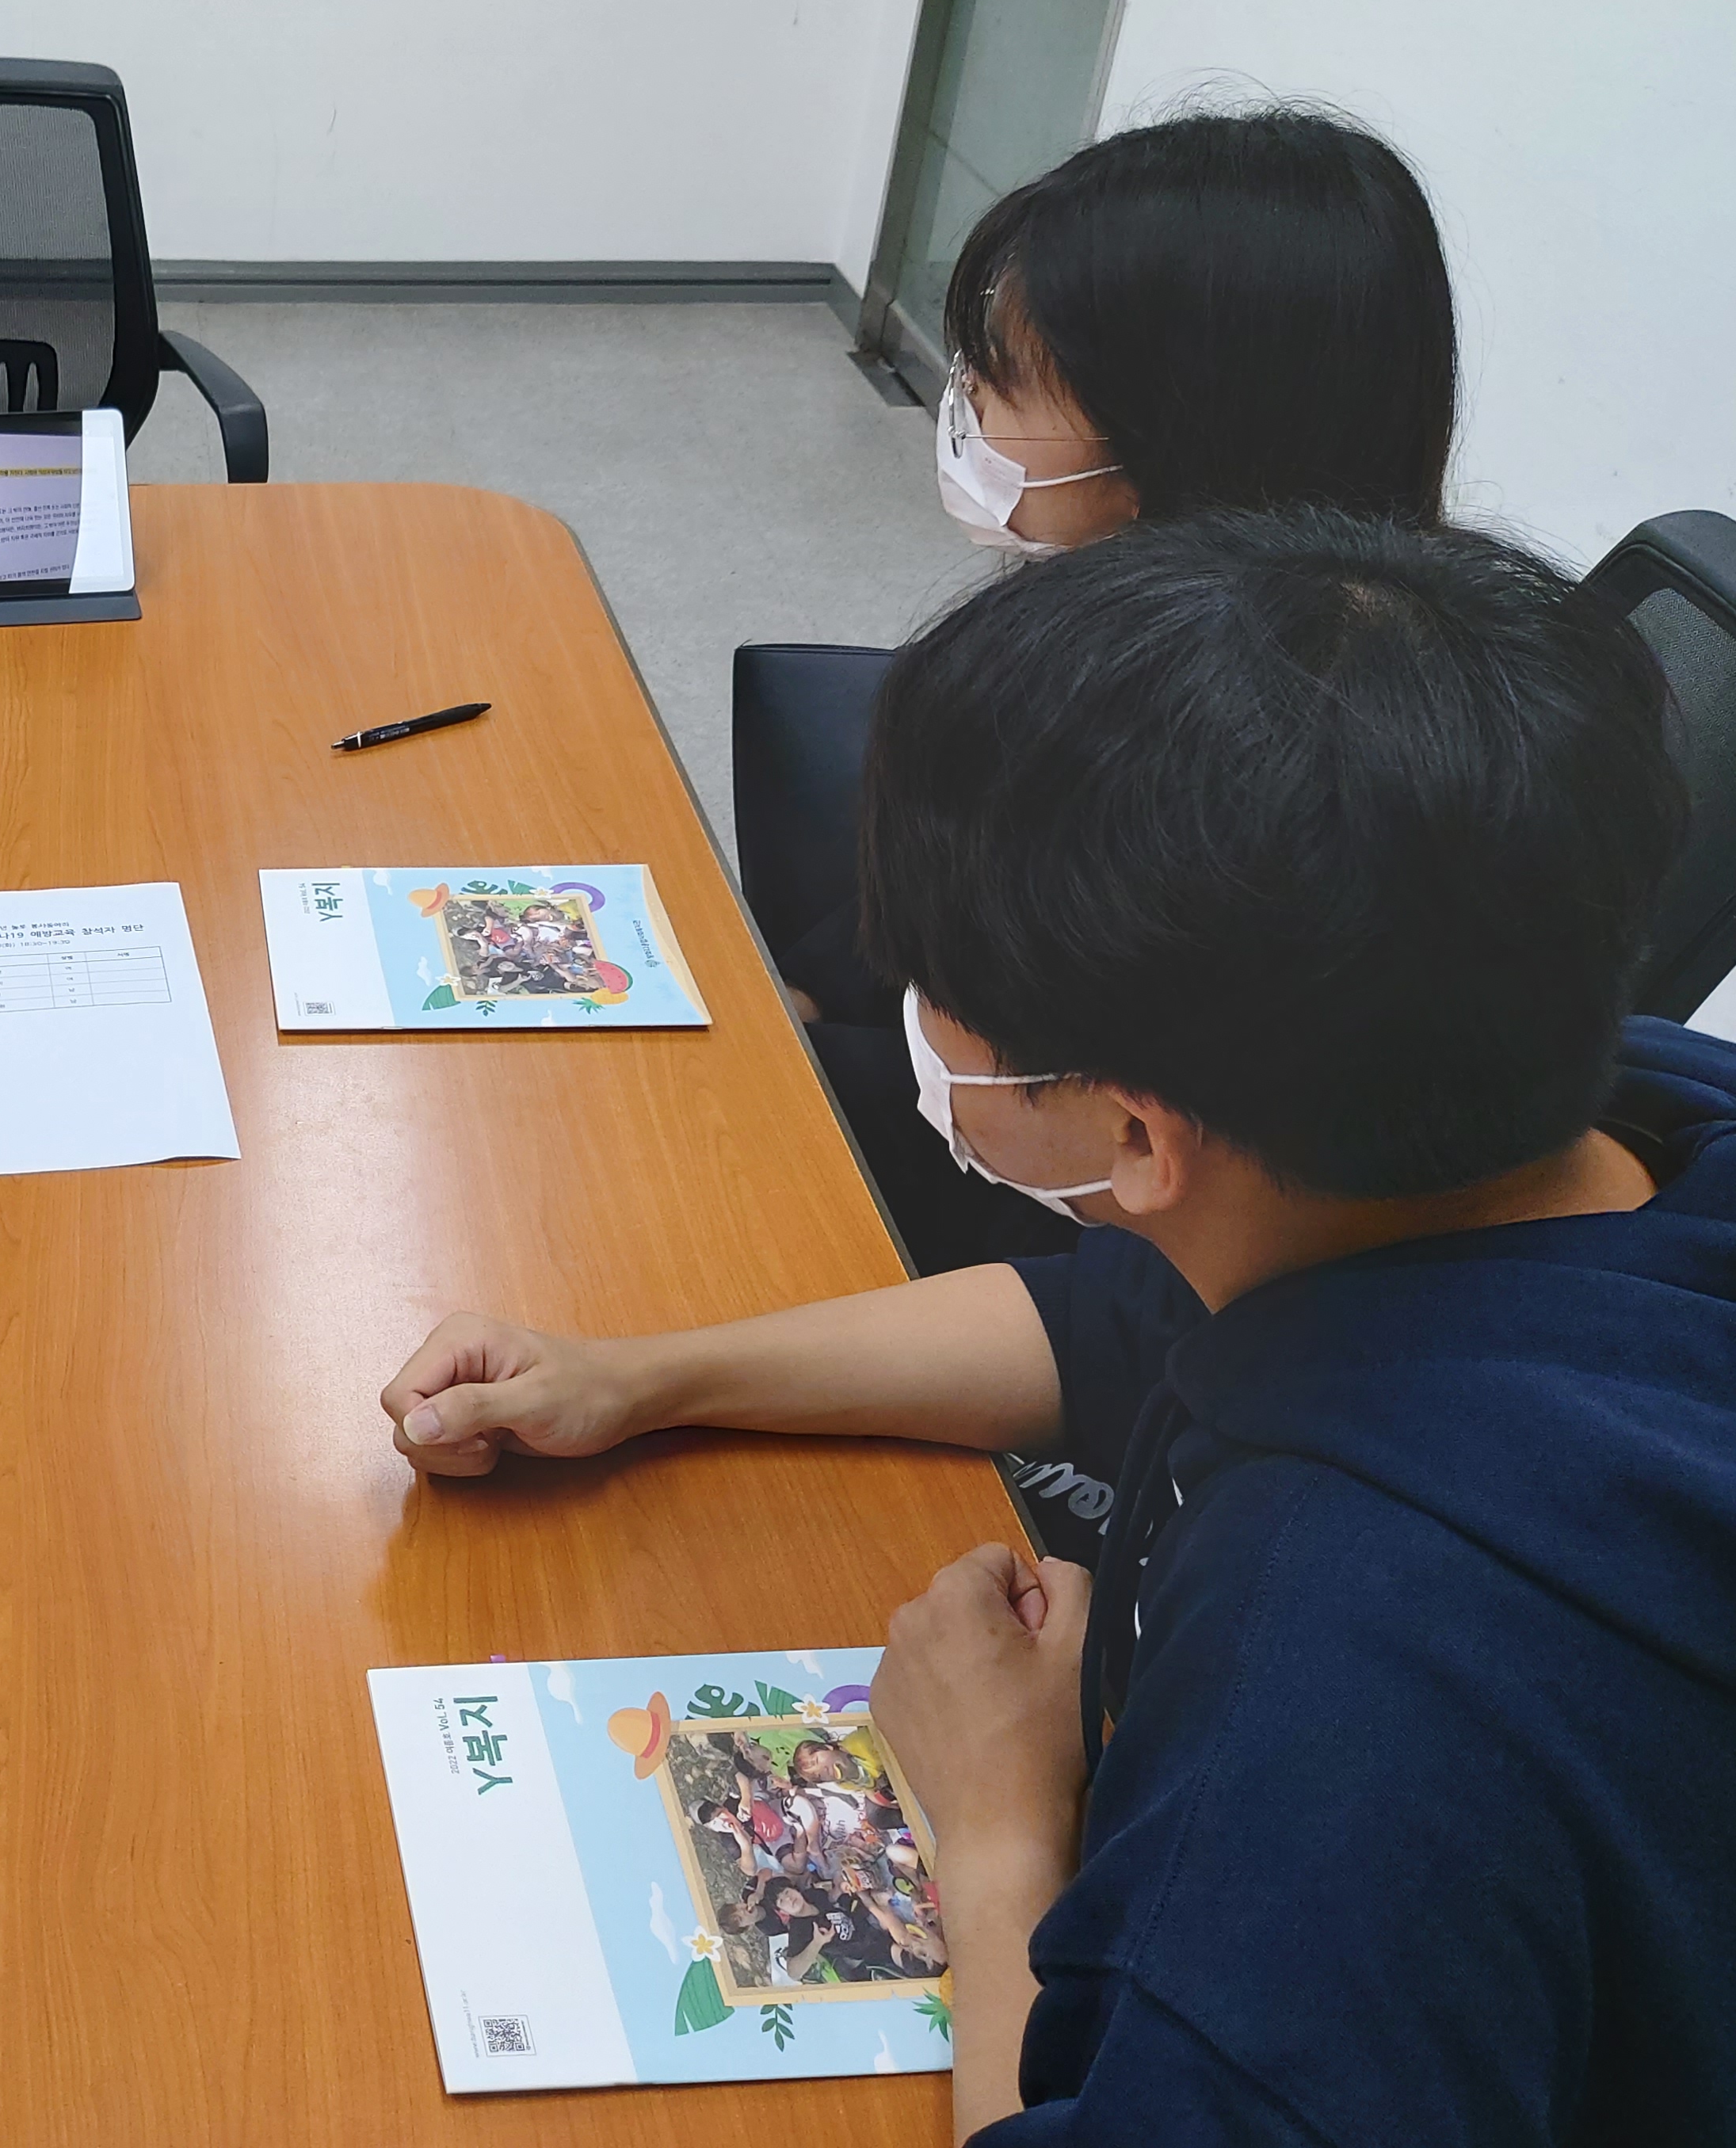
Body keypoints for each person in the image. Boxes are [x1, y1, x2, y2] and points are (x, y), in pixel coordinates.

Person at [383, 509, 1736, 2140]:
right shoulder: (1615, 1118)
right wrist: (643, 1376)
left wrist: (998, 1819)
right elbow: (1106, 1319)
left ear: (1135, 1136)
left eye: (940, 981)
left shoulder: (1347, 1709)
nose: (914, 1009)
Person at [783, 106, 1459, 1284]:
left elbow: (1122, 1222)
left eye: (1002, 381)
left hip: (1087, 1238)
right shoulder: (1318, 637)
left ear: (1176, 427)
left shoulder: (1229, 774)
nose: (966, 408)